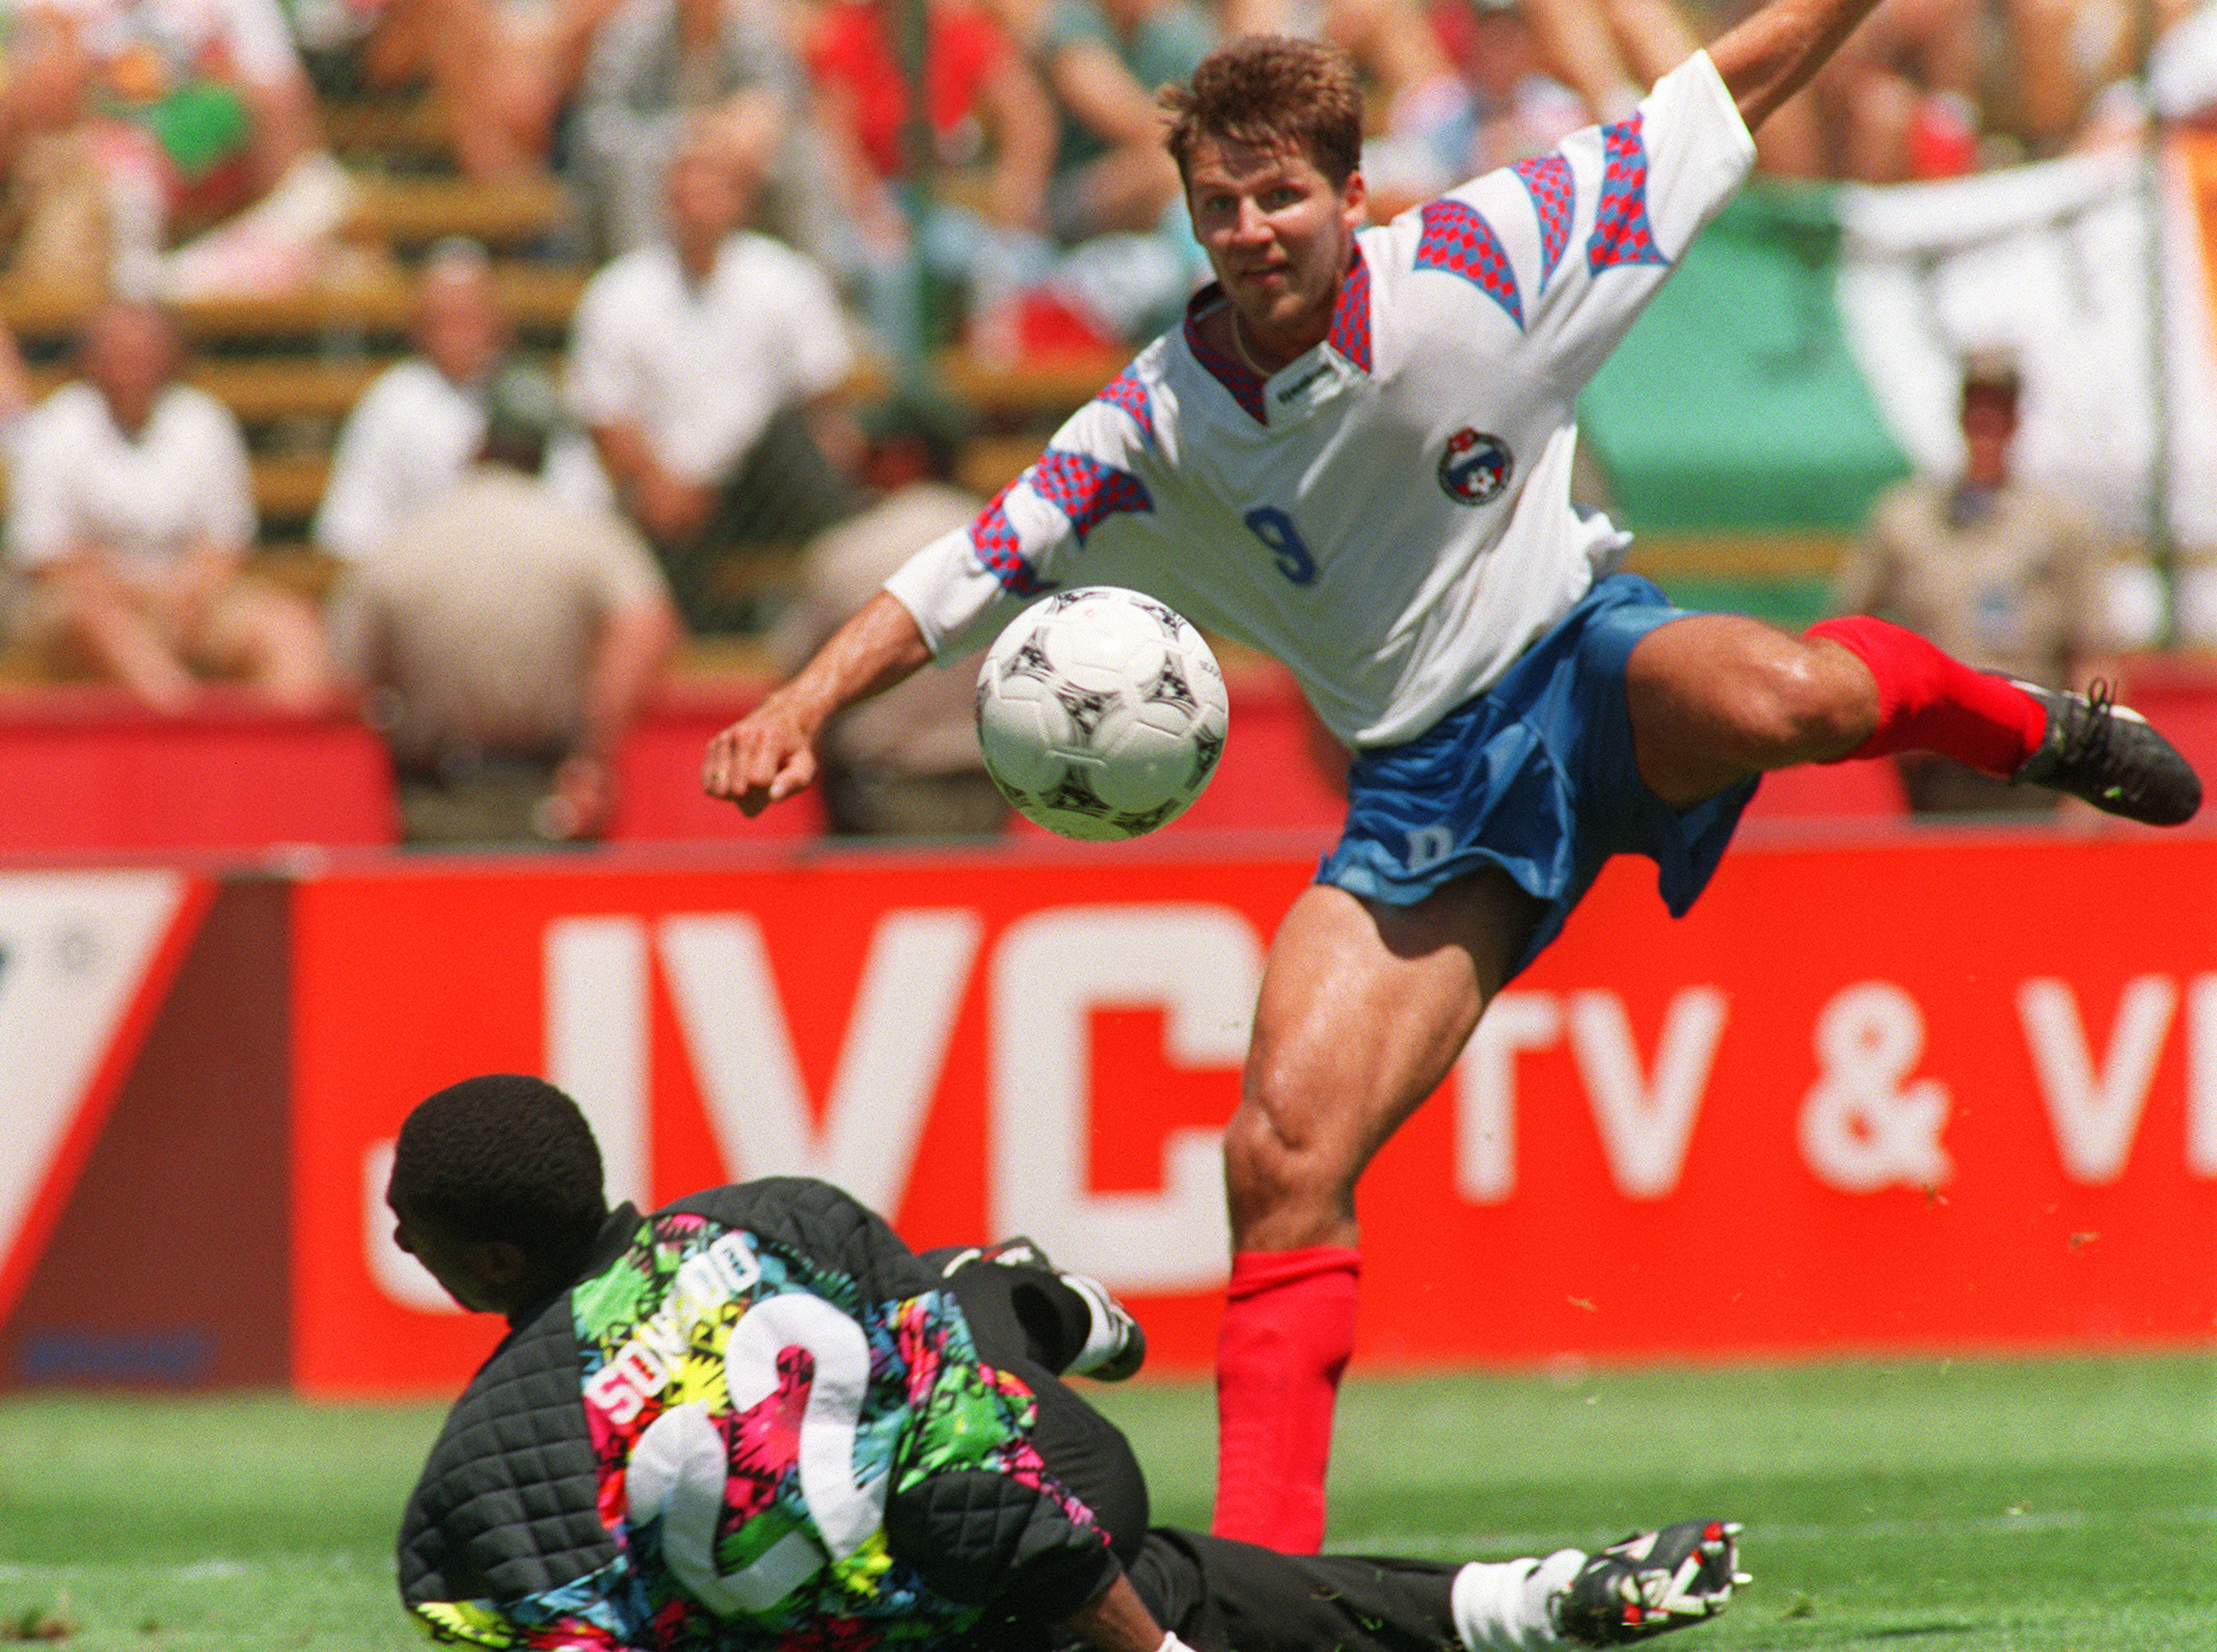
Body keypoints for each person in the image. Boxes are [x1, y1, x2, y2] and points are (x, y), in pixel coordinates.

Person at [698, 15, 2203, 1554]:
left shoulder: (1493, 253)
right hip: (1424, 789)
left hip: (1585, 664)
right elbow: (971, 565)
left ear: (1354, 195)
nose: (1247, 230)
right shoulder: (1160, 416)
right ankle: (1267, 1580)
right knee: (1280, 1155)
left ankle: (2030, 727)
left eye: (1277, 194)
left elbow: (1722, 87)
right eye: (1216, 205)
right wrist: (803, 699)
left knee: (1802, 695)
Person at [388, 1071, 1749, 1650]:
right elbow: (973, 1472)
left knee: (1039, 1533)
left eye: (416, 1222)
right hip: (1038, 1517)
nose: (397, 1231)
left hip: (949, 1583)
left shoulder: (474, 1481)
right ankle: (1025, 1297)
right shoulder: (775, 1214)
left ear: (497, 1261)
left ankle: (1015, 1302)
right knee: (967, 1351)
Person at [330, 362, 680, 842]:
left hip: (435, 797)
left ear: (480, 445)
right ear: (544, 452)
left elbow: (347, 678)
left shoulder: (404, 542)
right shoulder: (586, 535)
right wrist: (593, 754)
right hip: (550, 789)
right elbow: (647, 627)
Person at [565, 122, 863, 630]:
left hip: (760, 485)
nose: (698, 199)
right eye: (687, 182)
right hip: (658, 487)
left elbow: (826, 400)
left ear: (741, 197)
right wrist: (657, 483)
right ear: (667, 195)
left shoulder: (786, 277)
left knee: (798, 442)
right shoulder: (618, 291)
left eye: (714, 184)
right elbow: (605, 415)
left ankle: (850, 600)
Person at [4, 300, 333, 712]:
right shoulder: (57, 425)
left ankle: (290, 763)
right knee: (105, 624)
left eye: (142, 348)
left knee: (291, 628)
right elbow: (48, 555)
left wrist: (186, 593)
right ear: (90, 356)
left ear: (169, 353)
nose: (130, 361)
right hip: (88, 610)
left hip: (194, 601)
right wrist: (137, 596)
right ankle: (194, 738)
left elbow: (227, 542)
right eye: (118, 349)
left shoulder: (203, 419)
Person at [1826, 349, 2111, 815]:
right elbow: (1847, 631)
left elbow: (2095, 650)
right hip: (1938, 754)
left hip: (2034, 746)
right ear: (1959, 415)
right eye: (1977, 406)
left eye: (1999, 408)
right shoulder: (1907, 516)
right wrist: (1887, 723)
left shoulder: (2061, 521)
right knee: (1943, 882)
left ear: (2017, 419)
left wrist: (2091, 776)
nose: (1987, 422)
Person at [773, 397, 1013, 837]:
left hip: (880, 788)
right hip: (993, 783)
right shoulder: (1012, 537)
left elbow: (793, 670)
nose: (860, 462)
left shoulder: (850, 546)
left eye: (875, 450)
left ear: (906, 456)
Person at [316, 239, 607, 565]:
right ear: (419, 326)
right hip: (424, 582)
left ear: (498, 320)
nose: (456, 334)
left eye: (468, 317)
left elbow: (586, 505)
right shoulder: (390, 402)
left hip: (525, 579)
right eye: (442, 320)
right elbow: (348, 529)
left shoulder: (535, 395)